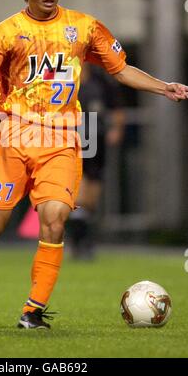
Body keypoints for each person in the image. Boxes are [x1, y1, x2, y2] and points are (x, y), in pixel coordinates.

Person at [0, 0, 188, 330]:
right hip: (12, 135)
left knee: (55, 218)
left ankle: (32, 311)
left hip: (62, 138)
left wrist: (163, 87)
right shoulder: (4, 34)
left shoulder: (84, 27)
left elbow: (121, 68)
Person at [68, 63, 125, 259]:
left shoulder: (101, 80)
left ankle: (83, 239)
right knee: (80, 193)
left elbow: (116, 107)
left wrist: (116, 128)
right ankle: (80, 243)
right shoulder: (64, 78)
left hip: (97, 138)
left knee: (92, 196)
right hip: (73, 138)